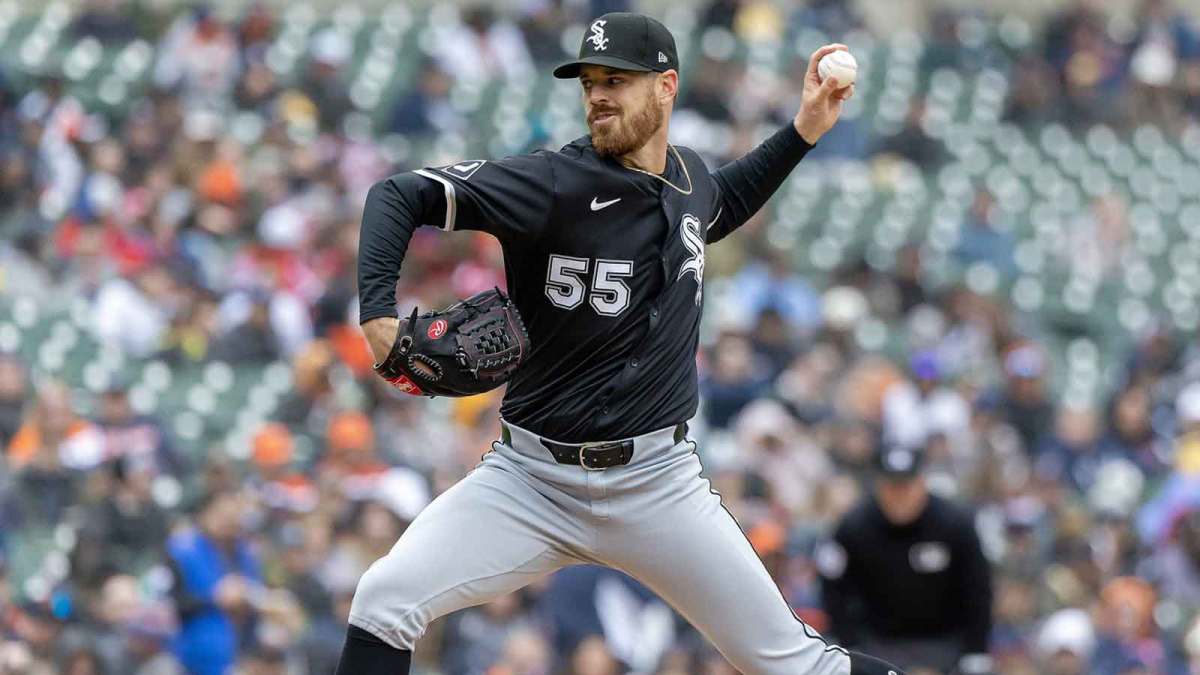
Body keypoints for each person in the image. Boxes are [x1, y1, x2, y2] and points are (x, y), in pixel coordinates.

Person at [343, 11, 902, 675]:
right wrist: (379, 314)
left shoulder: (689, 179)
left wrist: (804, 129)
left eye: (617, 80)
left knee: (791, 662)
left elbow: (726, 197)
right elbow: (398, 194)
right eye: (588, 83)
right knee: (383, 600)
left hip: (657, 484)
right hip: (529, 480)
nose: (598, 95)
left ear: (666, 87)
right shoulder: (553, 184)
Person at [818, 445, 993, 674]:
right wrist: (848, 642)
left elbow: (978, 588)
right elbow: (832, 586)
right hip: (876, 643)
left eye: (907, 486)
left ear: (922, 484)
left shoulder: (955, 524)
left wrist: (976, 649)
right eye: (892, 486)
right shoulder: (852, 528)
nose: (900, 495)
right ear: (879, 486)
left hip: (944, 643)